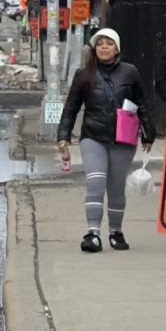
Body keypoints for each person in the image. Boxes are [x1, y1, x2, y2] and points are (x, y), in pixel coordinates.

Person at [56, 27, 155, 253]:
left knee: (116, 187)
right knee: (96, 183)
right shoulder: (84, 75)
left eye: (109, 43)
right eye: (100, 43)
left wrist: (149, 132)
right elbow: (71, 108)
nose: (104, 47)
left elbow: (144, 103)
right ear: (94, 48)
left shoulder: (130, 72)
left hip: (123, 138)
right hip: (93, 136)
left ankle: (115, 232)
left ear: (117, 48)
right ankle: (92, 234)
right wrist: (63, 136)